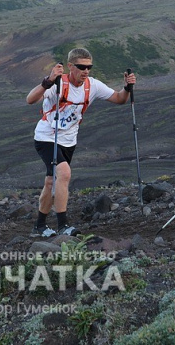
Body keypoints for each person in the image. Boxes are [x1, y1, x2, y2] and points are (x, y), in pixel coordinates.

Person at [26, 48, 137, 237]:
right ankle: (63, 225)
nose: (86, 71)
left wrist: (126, 87)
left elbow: (119, 99)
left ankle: (40, 225)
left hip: (69, 141)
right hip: (47, 137)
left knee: (51, 181)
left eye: (89, 67)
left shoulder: (92, 86)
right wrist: (48, 81)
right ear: (71, 66)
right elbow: (30, 99)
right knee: (64, 173)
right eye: (81, 67)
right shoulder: (57, 83)